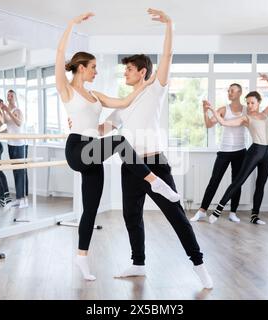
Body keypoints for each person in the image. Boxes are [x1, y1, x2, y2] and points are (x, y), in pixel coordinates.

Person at [56, 13, 181, 281]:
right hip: (78, 149)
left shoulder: (96, 95)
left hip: (93, 151)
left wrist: (146, 84)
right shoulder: (66, 89)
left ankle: (81, 259)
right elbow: (59, 53)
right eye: (92, 67)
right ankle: (154, 181)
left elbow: (124, 104)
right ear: (80, 68)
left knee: (90, 209)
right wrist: (71, 25)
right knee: (118, 141)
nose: (96, 71)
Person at [100, 8, 213, 289]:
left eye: (128, 69)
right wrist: (81, 121)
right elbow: (104, 130)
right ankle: (138, 263)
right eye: (124, 68)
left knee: (176, 217)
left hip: (155, 165)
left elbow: (168, 57)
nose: (125, 72)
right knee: (131, 217)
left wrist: (170, 25)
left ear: (142, 72)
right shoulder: (124, 103)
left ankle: (199, 266)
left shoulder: (155, 89)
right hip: (131, 167)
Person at [207, 74, 268, 225]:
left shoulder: (265, 114)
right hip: (255, 151)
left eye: (252, 103)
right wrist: (214, 111)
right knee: (238, 180)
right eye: (248, 103)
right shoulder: (246, 118)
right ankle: (218, 210)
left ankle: (255, 216)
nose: (250, 106)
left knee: (261, 183)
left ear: (258, 103)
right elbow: (224, 122)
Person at [190, 84, 247, 223]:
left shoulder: (246, 110)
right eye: (228, 90)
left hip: (240, 151)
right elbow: (209, 124)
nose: (229, 92)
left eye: (232, 91)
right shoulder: (223, 109)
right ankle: (202, 211)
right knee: (214, 181)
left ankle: (233, 212)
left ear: (239, 93)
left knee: (236, 183)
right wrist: (205, 112)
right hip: (225, 151)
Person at [0, 83, 29, 209]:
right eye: (8, 95)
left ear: (15, 97)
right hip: (11, 144)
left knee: (21, 171)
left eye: (12, 95)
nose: (10, 97)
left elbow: (18, 123)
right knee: (16, 171)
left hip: (20, 144)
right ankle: (19, 199)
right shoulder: (6, 110)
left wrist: (7, 110)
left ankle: (24, 199)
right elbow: (8, 126)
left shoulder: (17, 110)